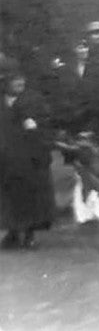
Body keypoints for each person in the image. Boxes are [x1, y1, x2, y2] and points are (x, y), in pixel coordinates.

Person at [0, 70, 56, 250]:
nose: (19, 82)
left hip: (30, 158)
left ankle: (30, 234)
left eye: (21, 78)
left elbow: (47, 123)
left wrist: (36, 126)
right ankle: (13, 233)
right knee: (8, 198)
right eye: (13, 79)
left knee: (32, 198)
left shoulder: (34, 100)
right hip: (5, 160)